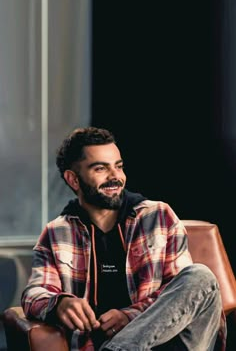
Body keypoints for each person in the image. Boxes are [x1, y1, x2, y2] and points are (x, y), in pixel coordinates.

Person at [21, 126, 226, 350]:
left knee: (201, 277)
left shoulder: (158, 216)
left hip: (170, 343)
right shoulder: (56, 234)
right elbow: (34, 293)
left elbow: (178, 295)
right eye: (100, 168)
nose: (115, 177)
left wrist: (129, 316)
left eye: (118, 167)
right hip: (97, 343)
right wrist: (59, 304)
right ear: (73, 179)